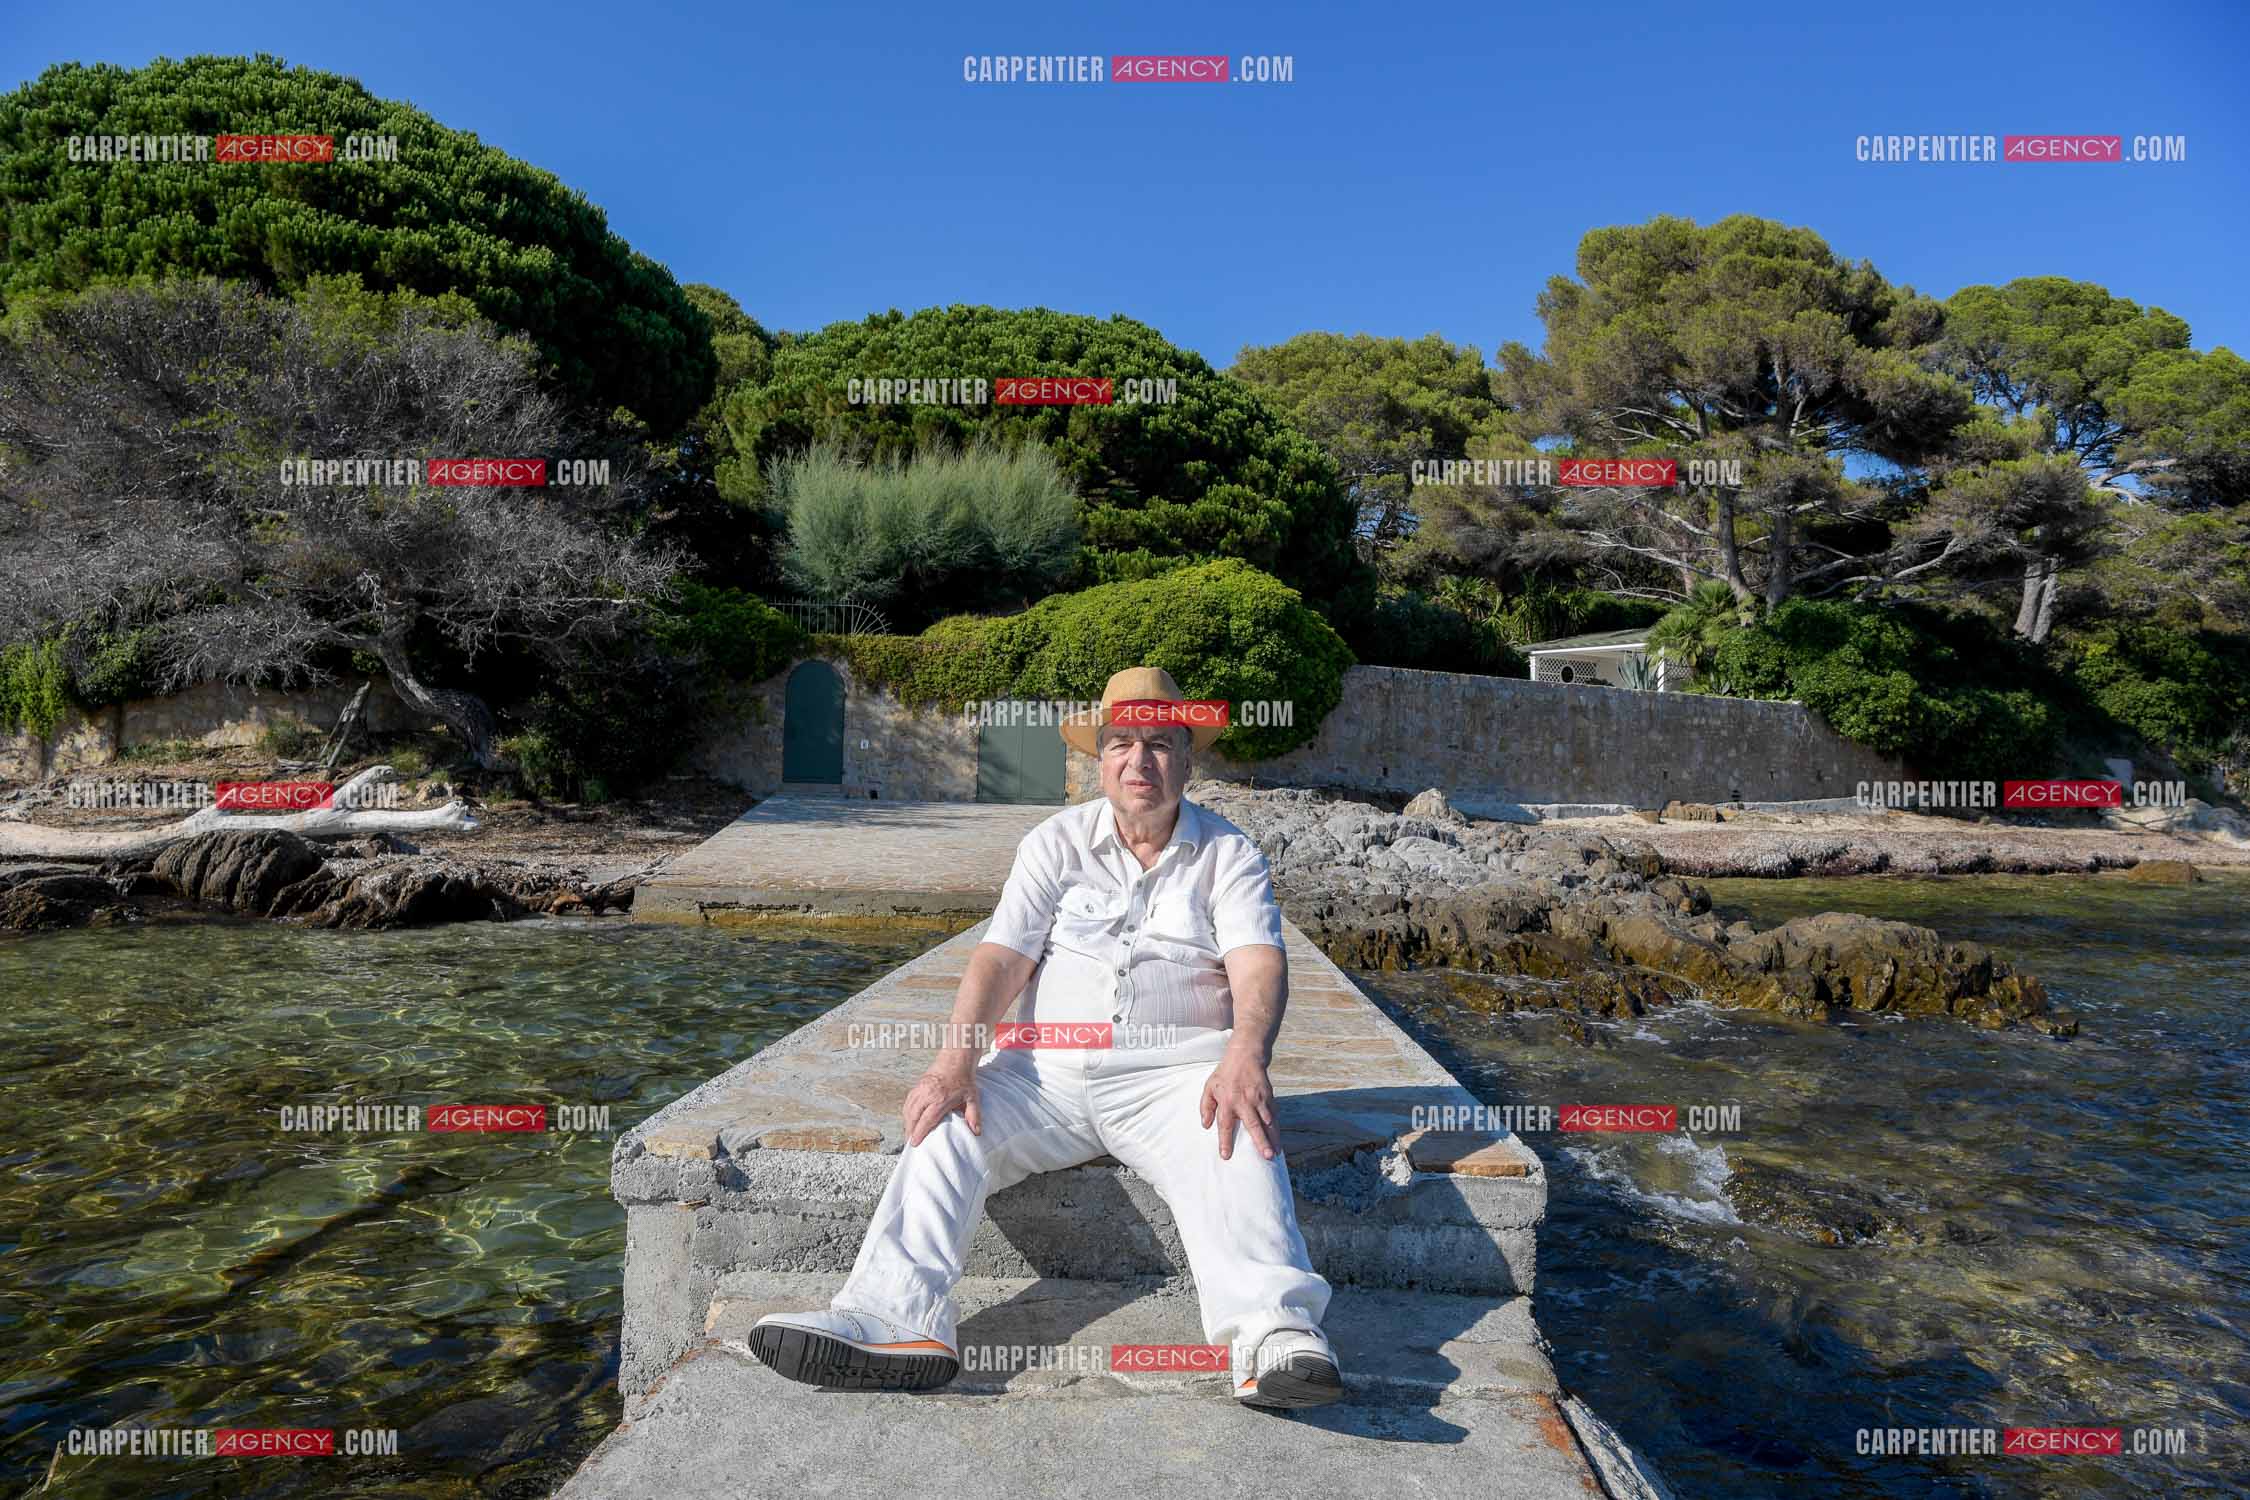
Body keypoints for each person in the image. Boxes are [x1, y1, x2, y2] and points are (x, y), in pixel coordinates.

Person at [747, 666, 1342, 1408]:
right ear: (1100, 760)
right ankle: (896, 1318)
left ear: (1190, 758)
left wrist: (1245, 1054)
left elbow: (1259, 964)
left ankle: (1273, 1337)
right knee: (943, 1126)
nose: (1139, 761)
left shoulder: (1230, 854)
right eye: (1121, 743)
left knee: (1240, 1135)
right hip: (1044, 1075)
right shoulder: (1054, 842)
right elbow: (1001, 958)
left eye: (1159, 743)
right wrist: (955, 1060)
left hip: (1173, 1077)